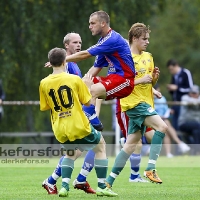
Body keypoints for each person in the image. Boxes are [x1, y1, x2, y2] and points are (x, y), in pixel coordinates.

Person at [39, 47, 118, 197]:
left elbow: (45, 107)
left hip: (60, 128)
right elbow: (88, 103)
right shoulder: (74, 79)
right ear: (64, 61)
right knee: (100, 146)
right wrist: (88, 87)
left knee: (69, 153)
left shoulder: (44, 82)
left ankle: (64, 187)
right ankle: (102, 185)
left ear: (51, 62)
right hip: (78, 124)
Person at [105, 22, 168, 191]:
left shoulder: (148, 56)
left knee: (130, 145)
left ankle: (108, 182)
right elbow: (121, 82)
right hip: (133, 103)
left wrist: (154, 80)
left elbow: (148, 82)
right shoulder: (125, 59)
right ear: (134, 39)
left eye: (148, 39)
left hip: (145, 102)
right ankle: (150, 168)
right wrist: (141, 80)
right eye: (144, 39)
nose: (147, 42)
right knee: (162, 126)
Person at [45, 11, 135, 125]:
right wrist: (81, 84)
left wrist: (62, 59)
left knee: (92, 90)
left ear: (103, 23)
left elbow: (85, 54)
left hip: (125, 80)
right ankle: (90, 118)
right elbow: (96, 67)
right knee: (84, 84)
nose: (90, 26)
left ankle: (88, 118)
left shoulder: (112, 39)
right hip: (113, 79)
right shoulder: (103, 41)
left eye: (92, 23)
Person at [42, 32, 100, 195]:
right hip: (75, 114)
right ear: (66, 45)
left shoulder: (72, 63)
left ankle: (53, 181)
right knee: (96, 144)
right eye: (75, 42)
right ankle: (80, 180)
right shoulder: (66, 65)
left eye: (80, 42)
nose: (79, 45)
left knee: (75, 151)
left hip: (76, 113)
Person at [154, 84, 190, 158]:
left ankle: (168, 153)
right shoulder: (149, 100)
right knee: (166, 123)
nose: (158, 92)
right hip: (153, 121)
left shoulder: (162, 98)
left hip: (163, 120)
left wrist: (169, 112)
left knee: (165, 128)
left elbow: (165, 110)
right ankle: (180, 143)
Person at [166, 59, 193, 130]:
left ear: (176, 66)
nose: (171, 71)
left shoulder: (185, 73)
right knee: (175, 127)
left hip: (184, 104)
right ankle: (179, 141)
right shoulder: (174, 76)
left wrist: (177, 88)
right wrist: (171, 89)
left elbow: (190, 89)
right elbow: (174, 93)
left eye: (171, 69)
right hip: (175, 104)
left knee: (183, 126)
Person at [178, 85, 200, 155]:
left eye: (195, 93)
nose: (193, 94)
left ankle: (194, 151)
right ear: (189, 93)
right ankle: (197, 149)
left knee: (196, 131)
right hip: (184, 124)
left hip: (196, 125)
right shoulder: (185, 97)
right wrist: (197, 101)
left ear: (198, 93)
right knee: (198, 126)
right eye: (192, 93)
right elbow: (190, 101)